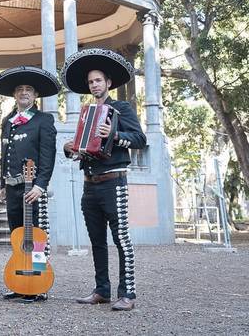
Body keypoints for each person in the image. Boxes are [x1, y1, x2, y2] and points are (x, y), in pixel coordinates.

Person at [61, 48, 147, 311]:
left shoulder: (121, 108)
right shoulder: (86, 113)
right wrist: (72, 149)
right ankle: (102, 290)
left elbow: (140, 139)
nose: (94, 84)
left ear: (108, 83)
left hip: (114, 182)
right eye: (90, 82)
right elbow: (84, 146)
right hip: (90, 183)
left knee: (121, 238)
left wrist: (114, 132)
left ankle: (128, 294)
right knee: (96, 240)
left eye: (98, 80)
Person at [0, 66, 60, 303]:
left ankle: (38, 285)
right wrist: (2, 184)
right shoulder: (8, 121)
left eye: (28, 89)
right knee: (17, 236)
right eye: (19, 89)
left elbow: (48, 155)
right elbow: (4, 153)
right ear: (14, 95)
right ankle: (20, 283)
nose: (23, 92)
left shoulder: (44, 120)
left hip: (33, 189)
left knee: (36, 238)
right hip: (12, 188)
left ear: (36, 95)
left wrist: (41, 185)